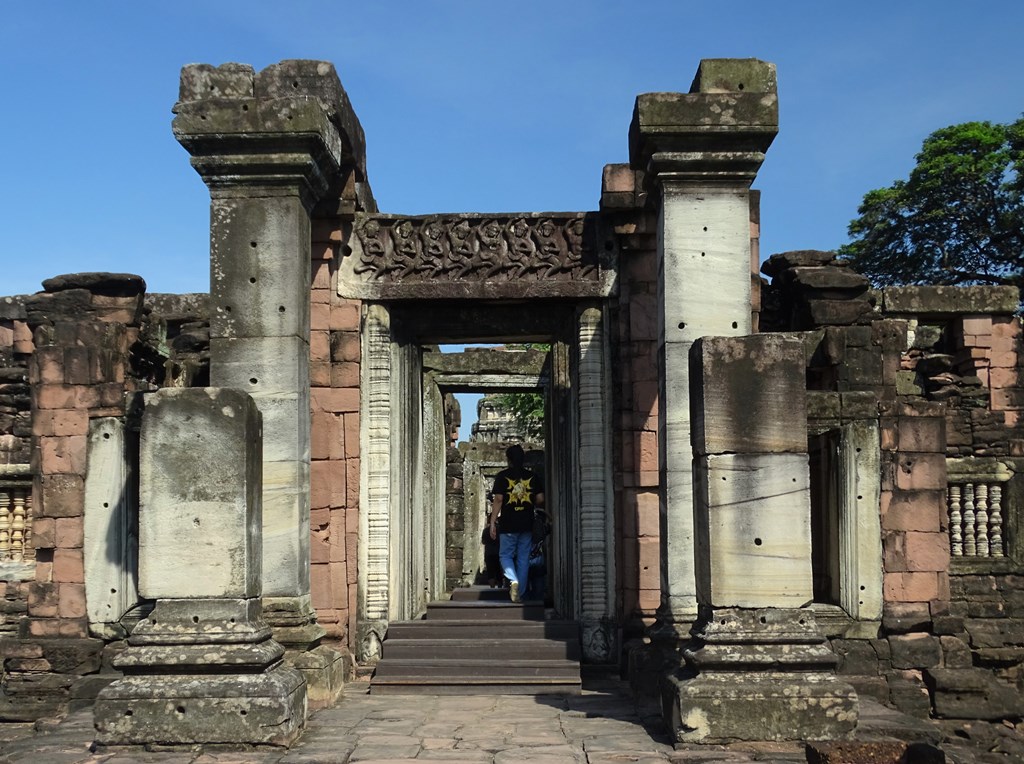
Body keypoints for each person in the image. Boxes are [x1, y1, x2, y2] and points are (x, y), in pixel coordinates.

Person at [488, 444, 544, 603]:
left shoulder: (502, 476)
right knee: (523, 558)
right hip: (527, 522)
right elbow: (540, 499)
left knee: (505, 555)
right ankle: (521, 593)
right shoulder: (532, 477)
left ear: (508, 459)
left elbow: (498, 499)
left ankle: (513, 580)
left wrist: (492, 521)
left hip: (508, 523)